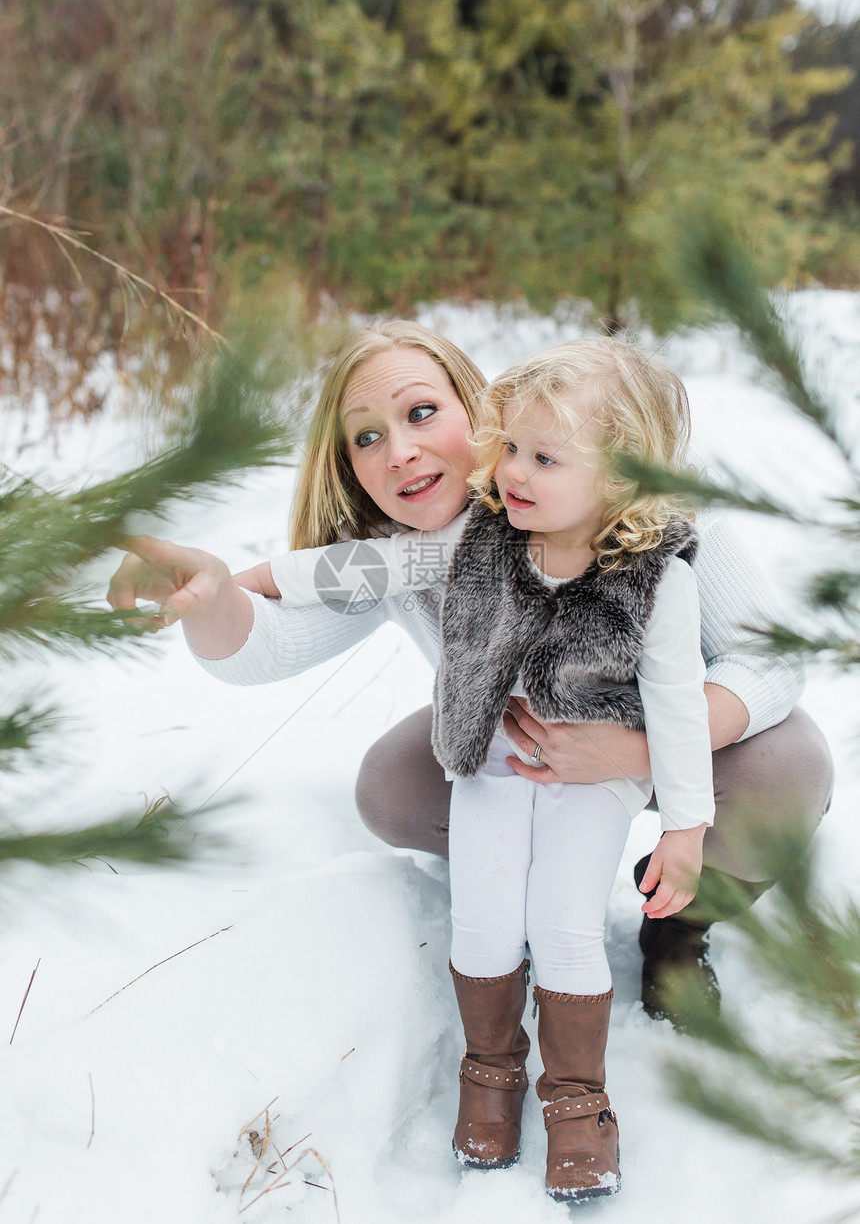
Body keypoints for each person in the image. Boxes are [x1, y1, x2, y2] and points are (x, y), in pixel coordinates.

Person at [107, 320, 832, 1035]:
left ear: (480, 411)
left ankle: (678, 930)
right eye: (367, 437)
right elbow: (266, 645)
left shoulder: (640, 492)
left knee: (791, 767)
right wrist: (212, 593)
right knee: (392, 783)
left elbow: (773, 655)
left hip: (689, 737)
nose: (400, 451)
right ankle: (513, 905)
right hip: (525, 747)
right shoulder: (405, 554)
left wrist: (639, 754)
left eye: (421, 412)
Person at [239, 339, 718, 1200]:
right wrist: (244, 581)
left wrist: (684, 828)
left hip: (593, 777)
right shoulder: (484, 538)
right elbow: (366, 566)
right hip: (487, 763)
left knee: (565, 919)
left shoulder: (658, 581)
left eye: (544, 458)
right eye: (511, 450)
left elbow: (681, 713)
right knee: (486, 916)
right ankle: (489, 1075)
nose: (513, 473)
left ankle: (579, 1100)